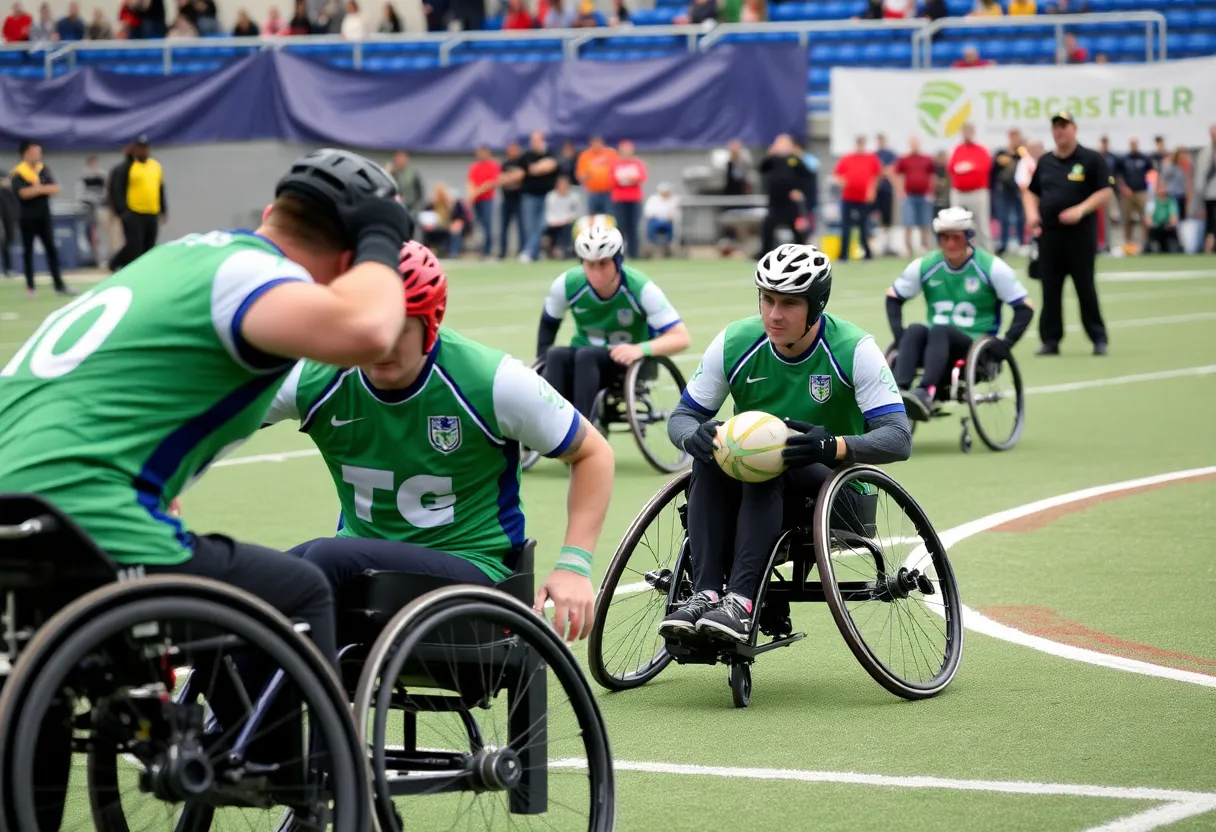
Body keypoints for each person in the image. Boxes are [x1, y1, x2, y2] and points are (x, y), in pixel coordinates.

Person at [0, 148, 414, 828]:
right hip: (82, 513)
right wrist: (383, 236)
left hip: (18, 508)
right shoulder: (257, 276)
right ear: (344, 259)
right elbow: (370, 329)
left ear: (273, 211)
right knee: (299, 591)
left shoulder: (178, 258)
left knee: (41, 693)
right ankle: (299, 786)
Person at [262, 241, 613, 642]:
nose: (380, 343)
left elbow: (593, 452)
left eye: (398, 327)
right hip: (359, 562)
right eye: (367, 324)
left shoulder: (492, 380)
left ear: (431, 323)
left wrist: (574, 565)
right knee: (256, 587)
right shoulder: (316, 375)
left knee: (325, 558)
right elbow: (221, 414)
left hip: (474, 573)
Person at [659, 243, 912, 642]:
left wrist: (832, 447)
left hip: (838, 493)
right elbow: (682, 417)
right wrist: (695, 437)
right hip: (754, 487)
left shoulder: (854, 348)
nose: (774, 314)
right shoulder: (735, 341)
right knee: (712, 456)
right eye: (767, 299)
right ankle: (706, 595)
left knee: (764, 460)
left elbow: (898, 438)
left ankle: (741, 603)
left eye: (790, 303)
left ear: (816, 305)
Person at [885, 207, 1035, 420]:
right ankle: (901, 391)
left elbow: (1025, 307)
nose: (950, 244)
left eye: (956, 238)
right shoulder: (926, 265)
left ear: (968, 237)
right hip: (936, 344)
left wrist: (1005, 346)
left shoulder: (991, 267)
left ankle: (926, 392)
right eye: (944, 238)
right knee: (915, 330)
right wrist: (901, 339)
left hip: (973, 345)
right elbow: (893, 297)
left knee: (939, 330)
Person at [536, 224, 691, 428]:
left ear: (618, 261)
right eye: (590, 264)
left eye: (603, 263)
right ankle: (545, 425)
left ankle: (584, 430)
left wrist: (640, 349)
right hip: (582, 353)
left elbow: (681, 338)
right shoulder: (567, 284)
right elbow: (548, 325)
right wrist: (541, 365)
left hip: (626, 359)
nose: (596, 272)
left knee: (586, 356)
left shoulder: (641, 288)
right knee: (555, 354)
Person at [1024, 111, 1113, 356]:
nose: (1059, 131)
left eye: (1064, 126)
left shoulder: (1091, 159)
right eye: (1056, 127)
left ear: (1074, 129)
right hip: (1050, 235)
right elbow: (1031, 191)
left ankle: (1098, 337)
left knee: (1085, 286)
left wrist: (1081, 209)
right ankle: (1051, 340)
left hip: (1079, 235)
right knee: (1050, 288)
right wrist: (1031, 214)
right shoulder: (1045, 161)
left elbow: (1105, 191)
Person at [9, 139, 73, 296]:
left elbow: (55, 188)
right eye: (34, 152)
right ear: (25, 153)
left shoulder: (43, 169)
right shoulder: (19, 172)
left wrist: (37, 189)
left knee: (51, 249)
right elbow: (23, 193)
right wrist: (42, 189)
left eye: (39, 152)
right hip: (27, 217)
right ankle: (30, 287)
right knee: (28, 251)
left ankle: (59, 285)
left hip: (44, 216)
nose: (37, 155)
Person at [107, 134, 167, 271]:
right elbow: (117, 189)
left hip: (151, 211)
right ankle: (116, 264)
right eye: (140, 148)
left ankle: (144, 271)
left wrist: (163, 209)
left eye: (145, 148)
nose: (143, 151)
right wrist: (122, 211)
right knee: (134, 245)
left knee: (149, 246)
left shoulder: (155, 166)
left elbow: (160, 188)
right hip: (134, 212)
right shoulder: (127, 167)